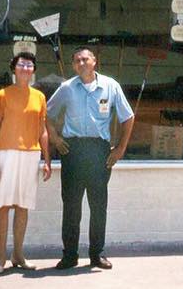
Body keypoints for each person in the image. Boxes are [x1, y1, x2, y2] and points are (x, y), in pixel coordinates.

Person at [47, 46, 134, 270]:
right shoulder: (67, 88)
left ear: (94, 61)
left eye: (85, 59)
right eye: (77, 60)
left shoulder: (111, 86)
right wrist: (55, 139)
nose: (81, 63)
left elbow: (128, 117)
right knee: (71, 206)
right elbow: (45, 114)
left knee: (98, 205)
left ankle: (97, 255)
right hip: (72, 151)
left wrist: (120, 149)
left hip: (99, 152)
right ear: (73, 65)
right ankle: (69, 255)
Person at [0, 52, 52, 274]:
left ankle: (18, 254)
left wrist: (47, 159)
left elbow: (43, 131)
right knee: (2, 206)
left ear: (33, 70)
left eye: (29, 65)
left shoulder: (39, 97)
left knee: (23, 206)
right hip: (5, 154)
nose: (25, 68)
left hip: (31, 155)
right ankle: (1, 258)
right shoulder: (1, 95)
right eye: (21, 64)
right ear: (14, 68)